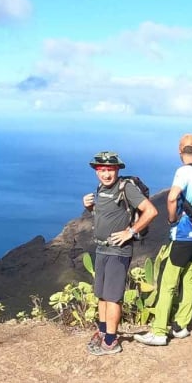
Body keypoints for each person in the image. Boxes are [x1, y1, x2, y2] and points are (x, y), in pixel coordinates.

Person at [139, 133, 192, 346]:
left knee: (168, 281)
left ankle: (158, 332)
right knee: (190, 279)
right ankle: (181, 326)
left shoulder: (183, 171)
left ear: (179, 150)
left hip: (184, 234)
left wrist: (172, 218)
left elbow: (172, 196)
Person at [82, 151, 157, 356]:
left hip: (118, 251)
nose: (106, 174)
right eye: (102, 170)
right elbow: (106, 216)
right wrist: (90, 208)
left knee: (113, 297)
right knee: (102, 296)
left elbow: (150, 211)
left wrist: (130, 232)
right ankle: (103, 331)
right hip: (102, 248)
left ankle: (111, 341)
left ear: (117, 170)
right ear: (97, 171)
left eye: (110, 170)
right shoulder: (101, 188)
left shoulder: (127, 188)